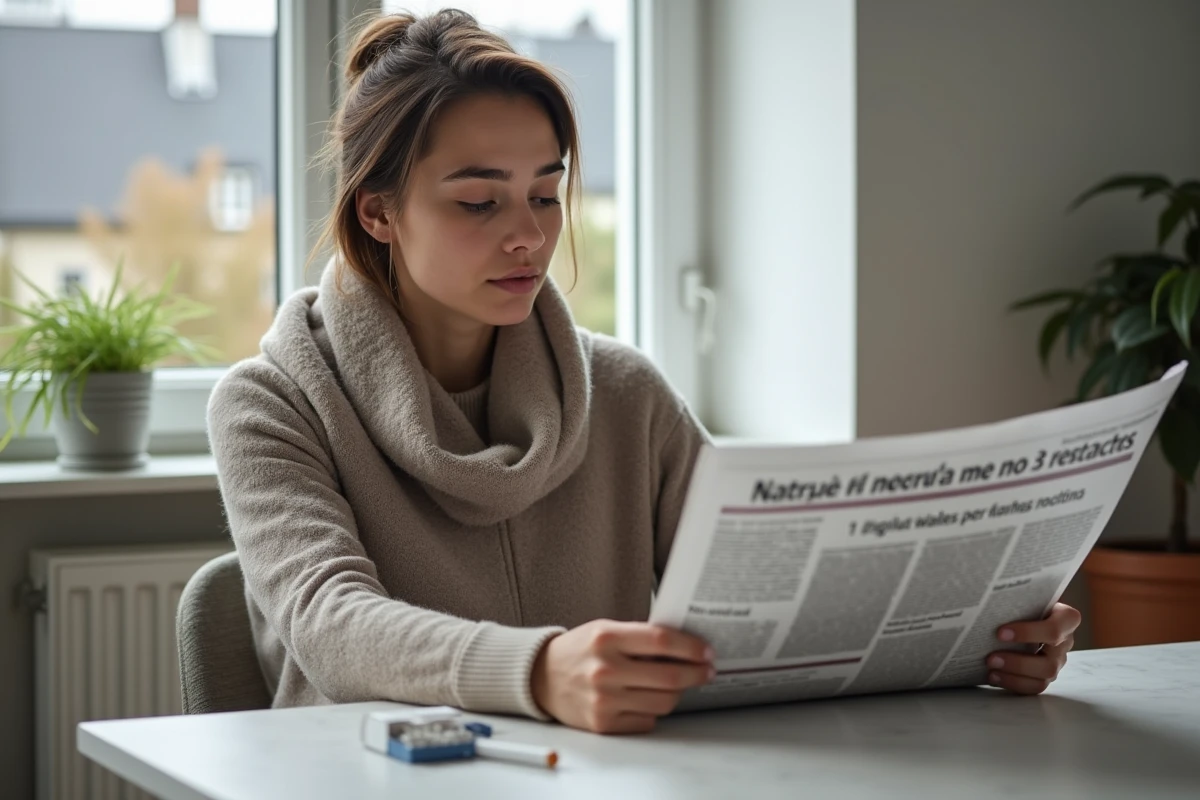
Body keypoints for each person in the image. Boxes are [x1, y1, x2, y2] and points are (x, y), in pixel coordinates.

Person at [207, 9, 1081, 735]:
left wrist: (975, 636)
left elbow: (779, 593)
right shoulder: (271, 405)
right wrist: (542, 670)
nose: (529, 235)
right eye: (479, 201)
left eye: (546, 194)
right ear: (379, 212)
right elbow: (331, 625)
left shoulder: (624, 394)